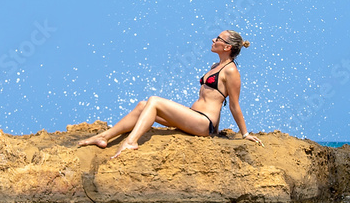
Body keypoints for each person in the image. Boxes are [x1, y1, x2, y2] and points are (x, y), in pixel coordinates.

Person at [79, 30, 264, 158]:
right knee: (143, 105)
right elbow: (213, 98)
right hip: (195, 120)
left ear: (227, 47)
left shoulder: (232, 71)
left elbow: (233, 104)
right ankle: (104, 137)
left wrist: (245, 133)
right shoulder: (215, 66)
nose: (213, 41)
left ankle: (131, 142)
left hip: (202, 123)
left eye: (218, 39)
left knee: (155, 101)